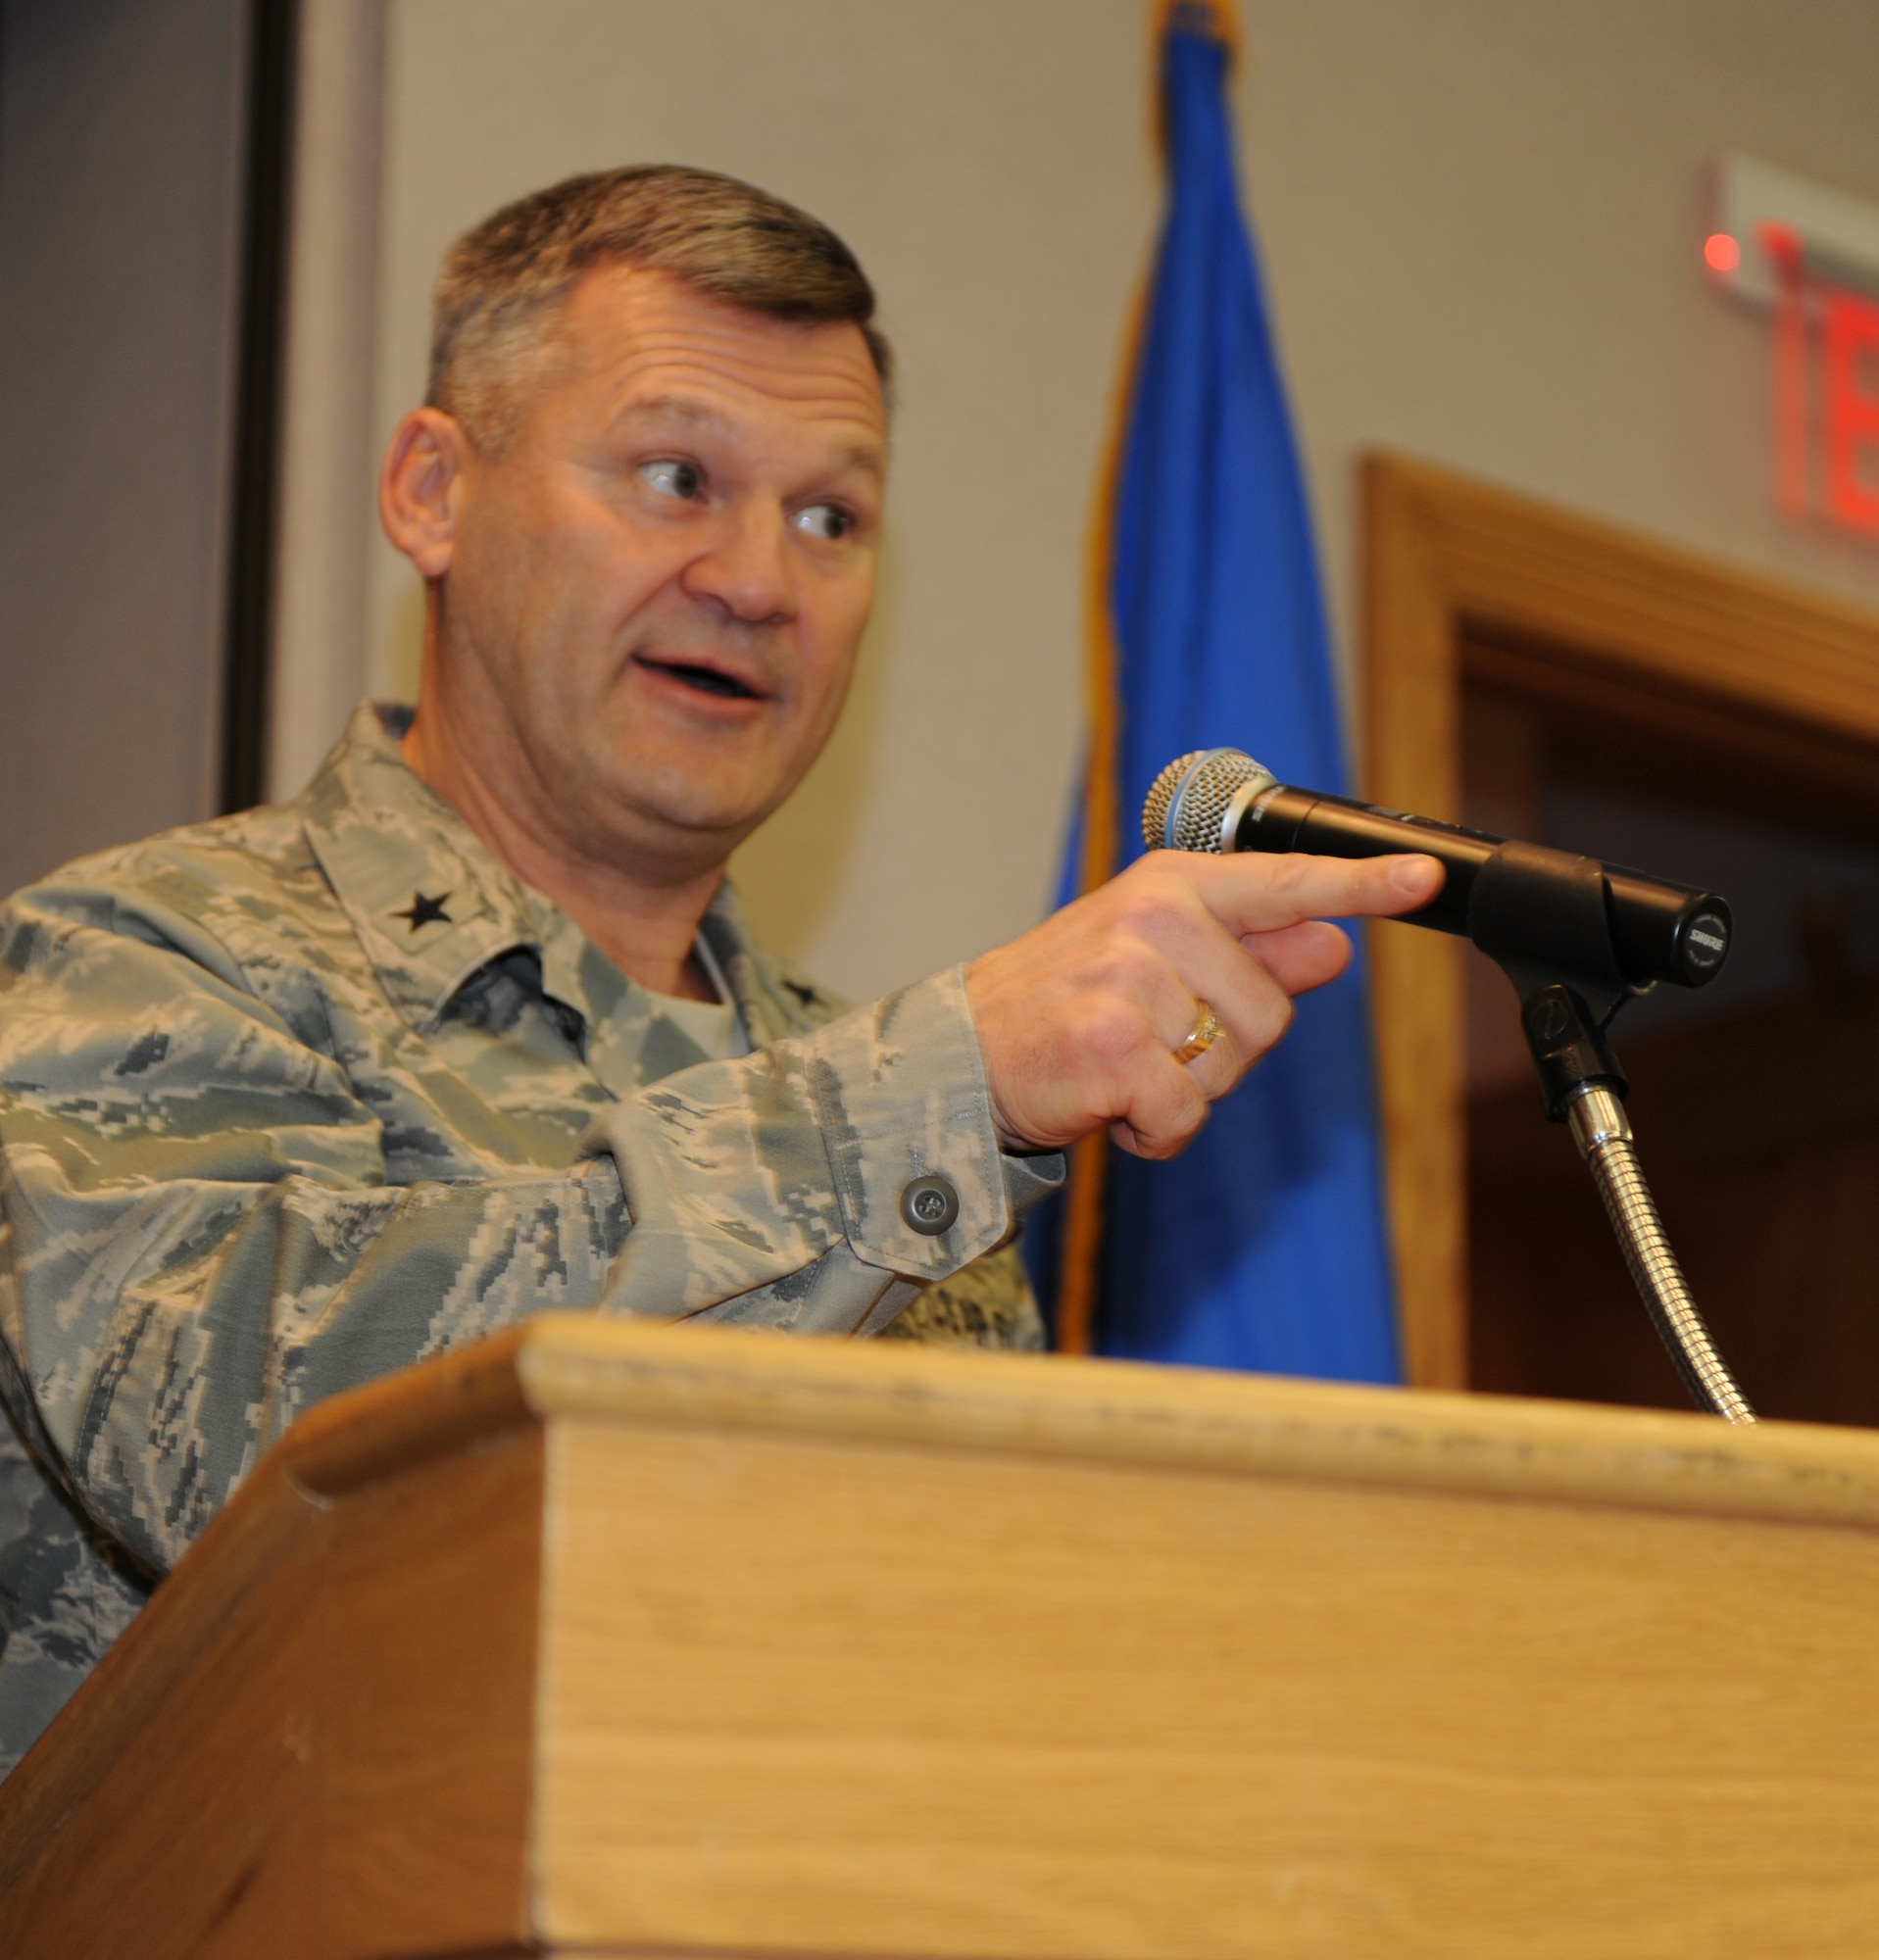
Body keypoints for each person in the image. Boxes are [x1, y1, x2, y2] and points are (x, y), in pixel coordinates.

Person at [0, 166, 1439, 1778]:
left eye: (830, 516)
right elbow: (256, 1455)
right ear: (431, 492)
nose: (759, 580)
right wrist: (942, 1093)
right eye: (677, 477)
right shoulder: (141, 964)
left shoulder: (915, 1111)